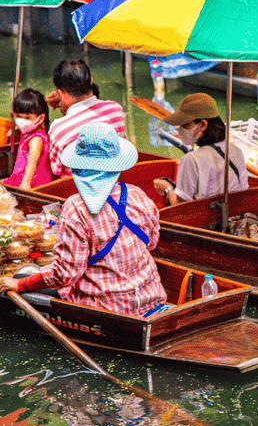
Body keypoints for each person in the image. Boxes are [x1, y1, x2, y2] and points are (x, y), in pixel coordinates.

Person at [0, 123, 167, 316]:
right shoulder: (139, 196)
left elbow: (64, 275)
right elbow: (151, 243)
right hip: (151, 295)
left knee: (20, 276)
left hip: (104, 307)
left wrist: (20, 283)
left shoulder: (76, 209)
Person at [152, 93, 248, 206]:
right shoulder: (236, 150)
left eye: (185, 125)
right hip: (236, 213)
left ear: (202, 125)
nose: (180, 130)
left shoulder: (190, 159)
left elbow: (180, 207)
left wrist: (167, 188)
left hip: (208, 220)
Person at [46, 59, 126, 177]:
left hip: (76, 191)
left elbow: (56, 170)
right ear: (91, 81)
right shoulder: (115, 110)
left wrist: (65, 107)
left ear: (61, 93)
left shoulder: (59, 129)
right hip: (114, 180)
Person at [2, 88, 53, 189]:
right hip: (20, 177)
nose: (22, 121)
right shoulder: (28, 131)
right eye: (18, 117)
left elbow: (32, 161)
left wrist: (26, 183)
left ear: (41, 118)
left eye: (27, 118)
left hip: (32, 182)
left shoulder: (36, 139)